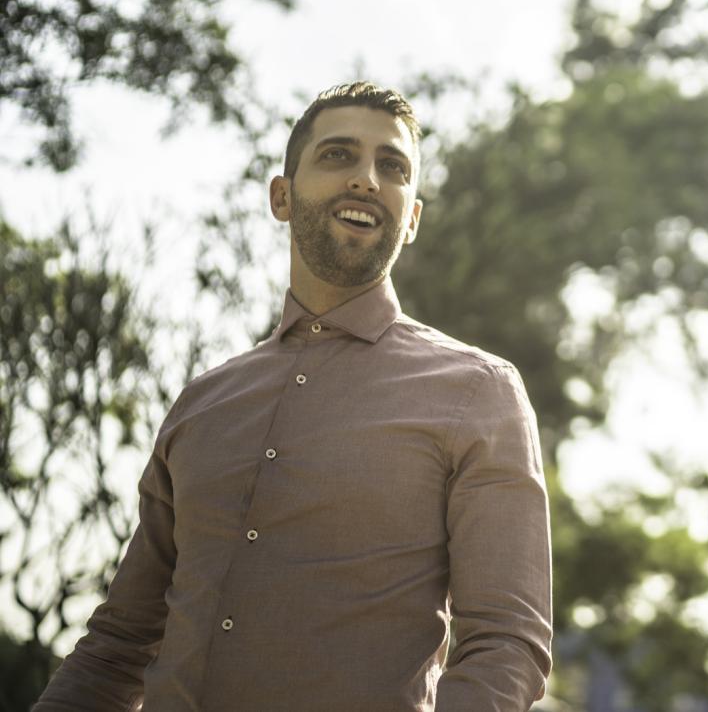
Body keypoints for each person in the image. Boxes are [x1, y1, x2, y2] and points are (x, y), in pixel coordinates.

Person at [36, 82, 552, 711]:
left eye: (392, 167)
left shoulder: (479, 393)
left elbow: (507, 644)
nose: (366, 179)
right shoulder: (203, 403)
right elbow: (118, 645)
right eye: (338, 155)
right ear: (282, 196)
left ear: (411, 216)